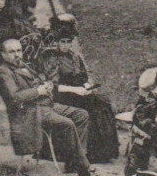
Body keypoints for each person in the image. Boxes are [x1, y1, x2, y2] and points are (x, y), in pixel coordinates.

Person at [0, 38, 101, 176]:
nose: (17, 54)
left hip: (46, 105)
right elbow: (14, 98)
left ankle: (74, 161)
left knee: (81, 115)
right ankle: (83, 167)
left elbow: (37, 82)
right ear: (3, 54)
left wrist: (46, 85)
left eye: (19, 50)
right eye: (11, 52)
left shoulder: (24, 65)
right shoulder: (3, 72)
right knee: (67, 123)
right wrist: (38, 91)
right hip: (31, 112)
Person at [41, 14, 120, 163]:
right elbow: (53, 85)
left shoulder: (74, 56)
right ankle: (82, 154)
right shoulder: (51, 57)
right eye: (62, 42)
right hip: (61, 95)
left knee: (103, 104)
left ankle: (101, 153)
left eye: (68, 42)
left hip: (78, 93)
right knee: (91, 109)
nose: (65, 45)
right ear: (56, 42)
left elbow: (82, 77)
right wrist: (76, 90)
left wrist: (86, 86)